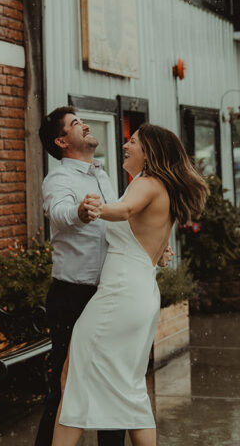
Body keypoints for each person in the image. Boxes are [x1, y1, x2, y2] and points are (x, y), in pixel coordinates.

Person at [52, 123, 208, 446]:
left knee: (74, 375)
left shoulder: (148, 182)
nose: (126, 145)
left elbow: (124, 211)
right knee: (129, 387)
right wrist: (159, 253)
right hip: (140, 295)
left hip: (120, 297)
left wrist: (95, 208)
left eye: (133, 142)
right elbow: (145, 235)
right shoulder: (160, 186)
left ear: (149, 152)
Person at [36, 107, 170, 446]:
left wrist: (153, 248)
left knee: (114, 385)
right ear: (62, 140)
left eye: (81, 120)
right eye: (75, 124)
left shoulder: (105, 176)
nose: (84, 124)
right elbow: (59, 213)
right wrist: (80, 212)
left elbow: (125, 222)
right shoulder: (58, 180)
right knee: (65, 388)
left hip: (111, 295)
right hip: (74, 295)